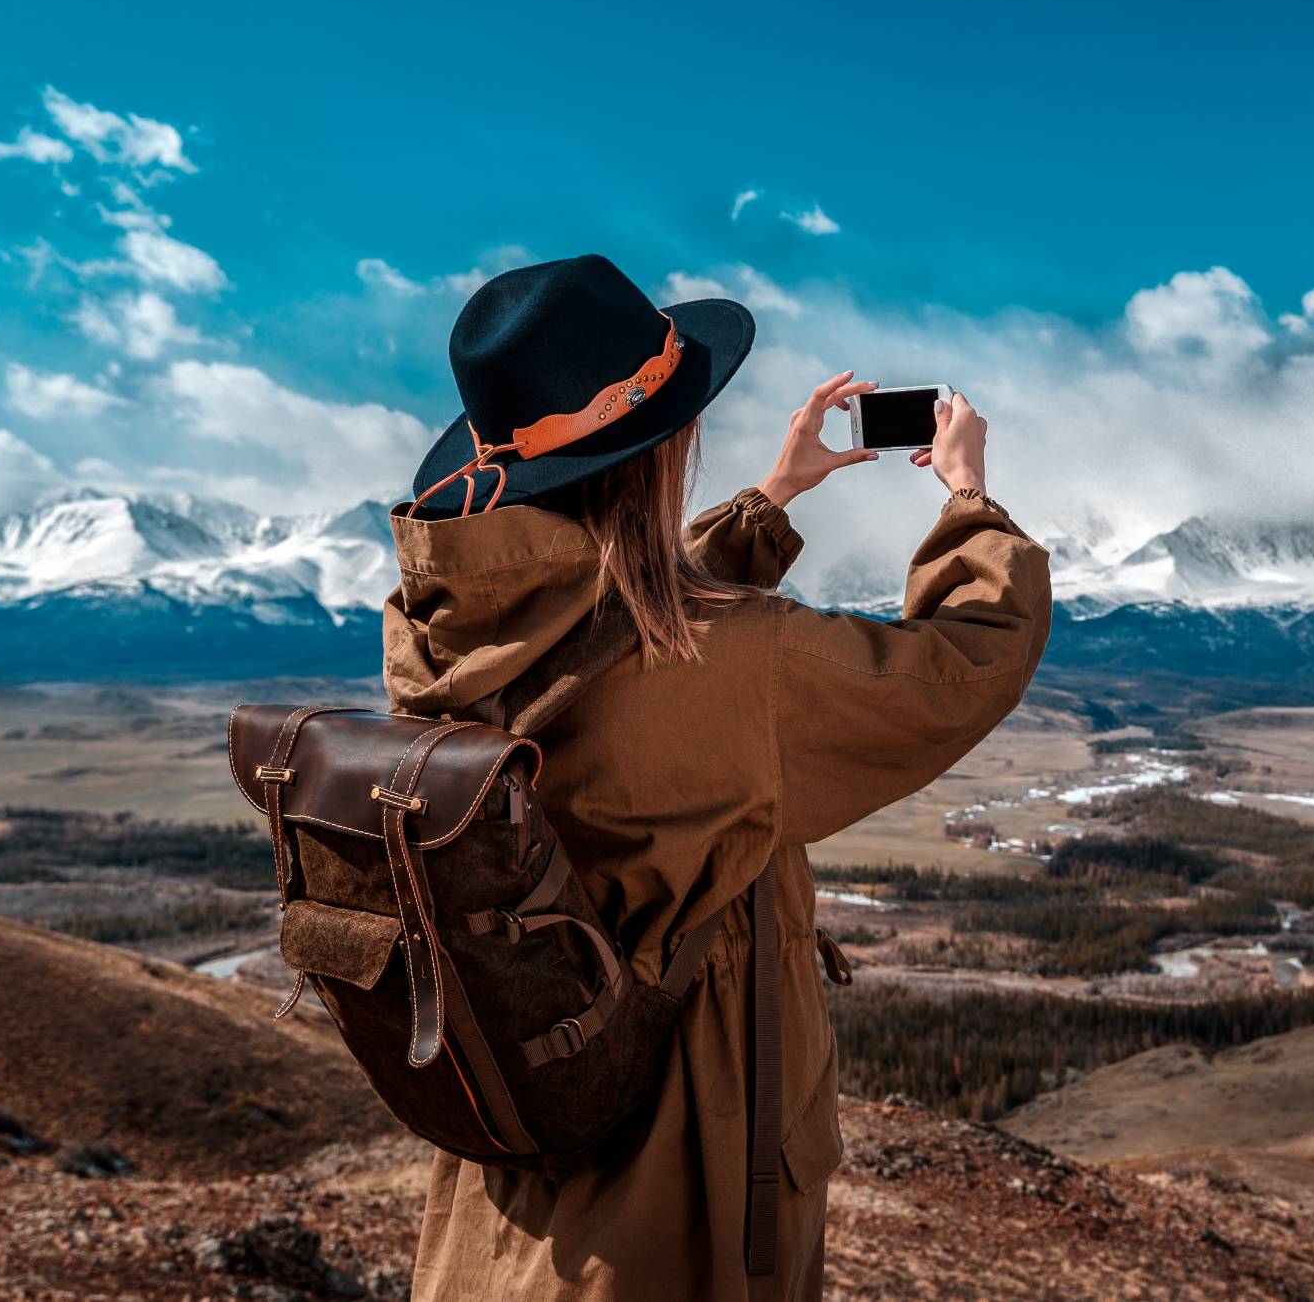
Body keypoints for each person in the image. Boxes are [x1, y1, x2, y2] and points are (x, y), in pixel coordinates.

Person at [382, 254, 1052, 1300]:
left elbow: (614, 632)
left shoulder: (455, 628)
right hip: (676, 1171)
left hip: (520, 1157)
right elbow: (960, 671)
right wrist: (968, 498)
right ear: (659, 449)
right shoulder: (733, 664)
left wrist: (769, 500)